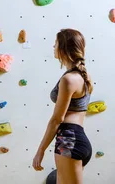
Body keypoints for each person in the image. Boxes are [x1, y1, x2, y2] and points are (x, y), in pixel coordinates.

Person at [33, 29, 93, 183]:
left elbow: (57, 119)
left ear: (63, 48)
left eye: (56, 44)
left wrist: (41, 150)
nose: (53, 46)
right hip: (78, 139)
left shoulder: (69, 79)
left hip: (68, 140)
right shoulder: (83, 76)